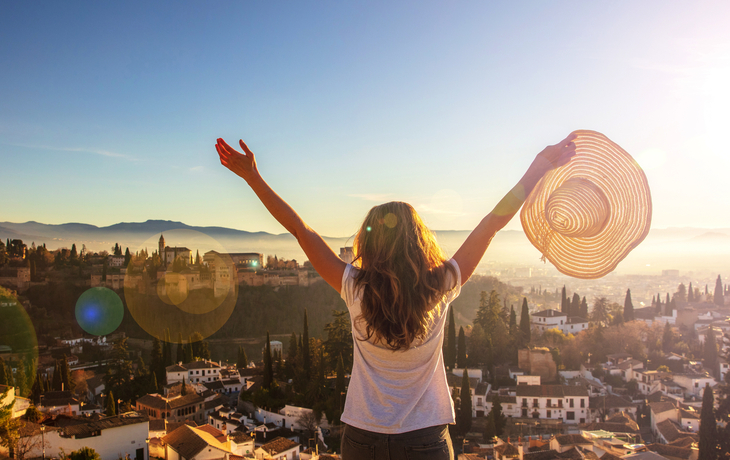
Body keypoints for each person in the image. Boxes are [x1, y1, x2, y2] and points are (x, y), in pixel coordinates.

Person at [215, 133, 577, 459]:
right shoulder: (442, 285)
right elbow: (492, 223)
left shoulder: (354, 287)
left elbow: (299, 229)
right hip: (425, 440)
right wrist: (537, 169)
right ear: (419, 242)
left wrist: (253, 178)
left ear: (369, 244)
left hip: (362, 439)